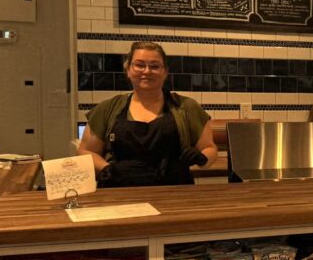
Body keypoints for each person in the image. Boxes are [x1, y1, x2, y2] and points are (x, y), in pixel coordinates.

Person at [78, 41, 216, 187]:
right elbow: (85, 151)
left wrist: (202, 158)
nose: (147, 71)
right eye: (139, 65)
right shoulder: (107, 109)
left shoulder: (187, 107)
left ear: (165, 72)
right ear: (128, 69)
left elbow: (210, 148)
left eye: (155, 66)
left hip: (175, 192)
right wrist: (106, 168)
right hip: (119, 192)